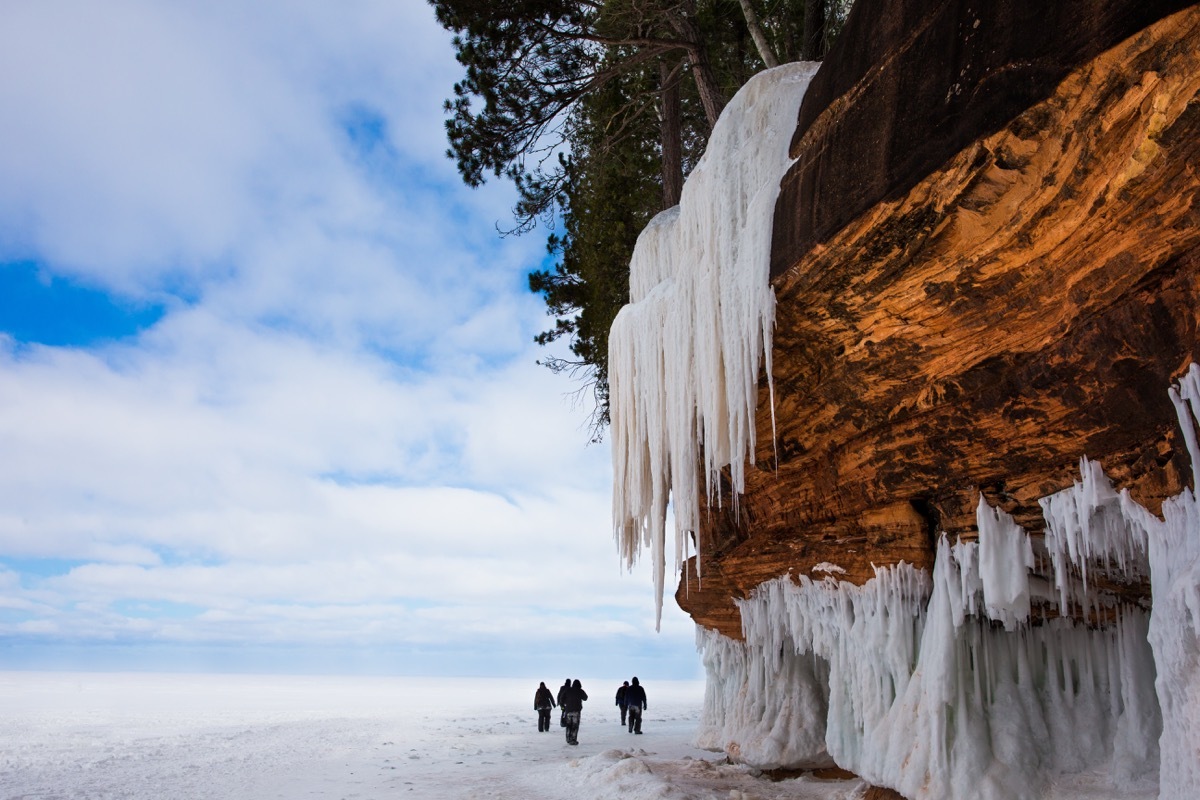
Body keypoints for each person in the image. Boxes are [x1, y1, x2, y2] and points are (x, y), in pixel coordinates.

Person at [559, 678, 588, 745]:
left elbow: (561, 699)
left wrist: (563, 707)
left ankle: (568, 739)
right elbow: (585, 698)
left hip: (568, 711)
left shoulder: (568, 690)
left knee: (569, 725)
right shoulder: (580, 691)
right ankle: (573, 740)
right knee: (575, 726)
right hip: (576, 711)